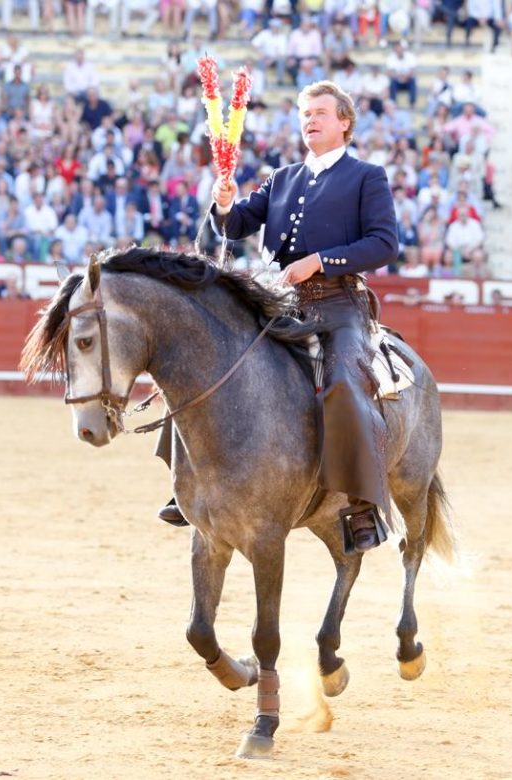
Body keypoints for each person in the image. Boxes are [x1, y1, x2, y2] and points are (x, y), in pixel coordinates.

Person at [162, 80, 397, 555]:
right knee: (199, 360)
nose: (310, 120)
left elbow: (384, 244)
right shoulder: (282, 177)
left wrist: (320, 260)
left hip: (338, 304)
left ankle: (362, 502)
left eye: (321, 113)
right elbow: (235, 225)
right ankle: (186, 482)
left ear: (344, 122)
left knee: (345, 383)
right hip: (277, 301)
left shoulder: (367, 177)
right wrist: (225, 201)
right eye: (305, 113)